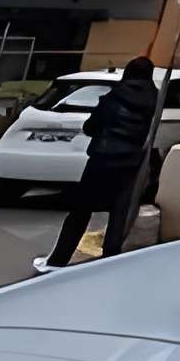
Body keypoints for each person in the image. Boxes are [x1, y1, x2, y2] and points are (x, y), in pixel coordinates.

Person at [34, 58, 160, 273]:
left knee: (81, 210)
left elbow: (92, 126)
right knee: (119, 213)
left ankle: (58, 259)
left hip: (102, 159)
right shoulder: (153, 98)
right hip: (130, 162)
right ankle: (109, 260)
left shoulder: (115, 95)